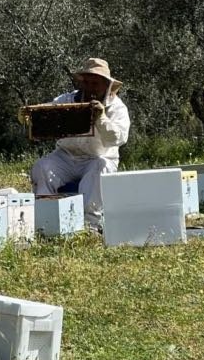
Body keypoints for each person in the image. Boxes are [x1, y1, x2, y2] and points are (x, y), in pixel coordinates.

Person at [30, 58, 130, 232]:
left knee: (100, 168)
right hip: (66, 156)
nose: (91, 87)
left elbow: (118, 138)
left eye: (96, 83)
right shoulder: (67, 99)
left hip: (98, 157)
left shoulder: (117, 107)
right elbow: (48, 113)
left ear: (106, 85)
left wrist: (101, 118)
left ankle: (91, 225)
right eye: (88, 82)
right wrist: (34, 117)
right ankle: (46, 223)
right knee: (41, 167)